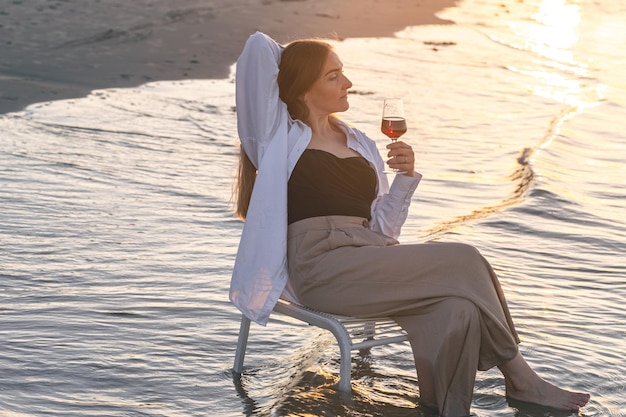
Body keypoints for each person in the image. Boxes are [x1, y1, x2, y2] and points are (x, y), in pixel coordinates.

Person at [230, 32, 590, 416]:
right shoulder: (276, 138)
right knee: (465, 258)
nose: (348, 84)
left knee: (458, 309)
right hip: (319, 268)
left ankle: (444, 409)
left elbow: (384, 230)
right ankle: (520, 377)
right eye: (332, 76)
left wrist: (405, 178)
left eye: (343, 73)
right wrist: (298, 57)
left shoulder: (361, 142)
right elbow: (255, 47)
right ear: (302, 89)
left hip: (367, 254)